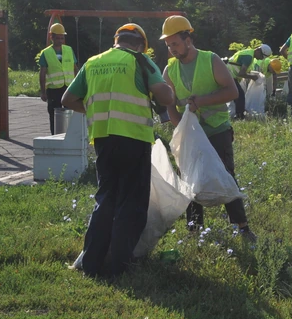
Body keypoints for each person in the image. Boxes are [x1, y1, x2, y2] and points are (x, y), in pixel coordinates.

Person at [60, 23, 175, 279]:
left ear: (116, 41)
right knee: (131, 204)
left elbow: (67, 100)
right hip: (134, 138)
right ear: (140, 45)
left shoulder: (92, 63)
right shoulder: (140, 61)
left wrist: (92, 109)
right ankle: (119, 267)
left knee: (106, 199)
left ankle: (91, 264)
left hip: (102, 139)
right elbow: (166, 98)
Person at [160, 15, 257, 242]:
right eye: (168, 45)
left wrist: (201, 102)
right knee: (190, 181)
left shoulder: (210, 60)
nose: (172, 49)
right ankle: (194, 232)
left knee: (225, 176)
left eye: (175, 43)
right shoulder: (169, 70)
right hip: (191, 136)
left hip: (216, 130)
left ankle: (243, 229)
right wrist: (180, 128)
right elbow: (169, 105)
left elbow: (232, 92)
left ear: (188, 39)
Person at [38, 23, 79, 134]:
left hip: (69, 88)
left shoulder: (69, 50)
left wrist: (79, 87)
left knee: (70, 112)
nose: (60, 40)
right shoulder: (46, 53)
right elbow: (42, 73)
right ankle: (55, 135)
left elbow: (75, 69)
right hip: (53, 89)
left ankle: (69, 134)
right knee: (54, 114)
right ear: (52, 37)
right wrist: (43, 92)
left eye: (62, 38)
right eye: (58, 38)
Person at [226, 44, 271, 119]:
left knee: (235, 95)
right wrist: (252, 77)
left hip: (229, 74)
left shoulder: (249, 54)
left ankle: (235, 115)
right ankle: (240, 117)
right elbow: (241, 73)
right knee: (240, 95)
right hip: (229, 75)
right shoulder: (249, 57)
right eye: (262, 56)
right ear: (258, 51)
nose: (261, 59)